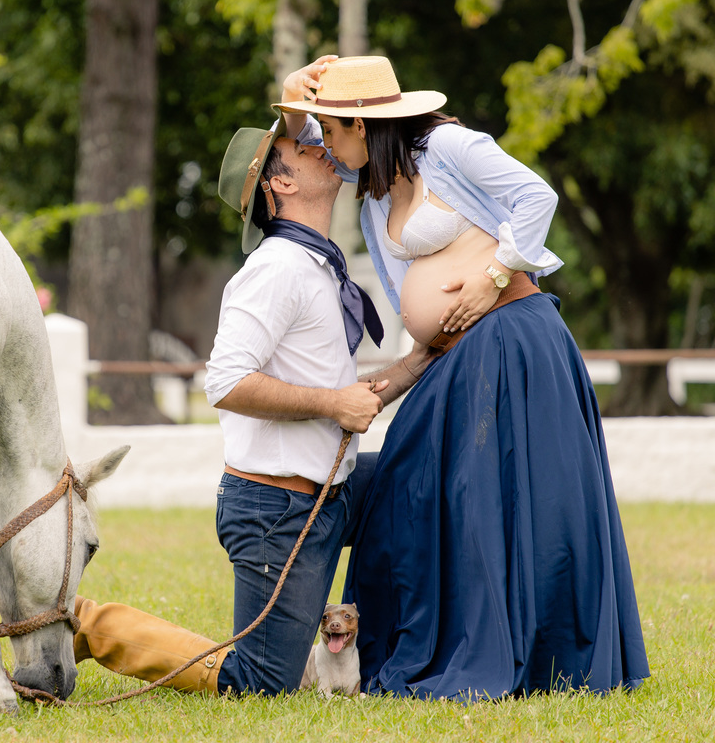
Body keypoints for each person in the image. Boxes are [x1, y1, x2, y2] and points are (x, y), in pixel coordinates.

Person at [273, 54, 650, 700]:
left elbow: (537, 196)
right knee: (406, 484)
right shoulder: (374, 181)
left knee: (508, 495)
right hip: (454, 358)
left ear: (363, 126)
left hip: (512, 337)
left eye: (332, 129)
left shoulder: (447, 147)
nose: (324, 144)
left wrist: (494, 275)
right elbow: (298, 153)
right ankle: (436, 638)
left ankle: (533, 648)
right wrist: (290, 96)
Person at [71, 115, 434, 696]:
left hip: (336, 491)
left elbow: (346, 399)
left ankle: (400, 653)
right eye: (303, 147)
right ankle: (92, 626)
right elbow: (225, 380)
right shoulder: (274, 269)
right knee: (261, 683)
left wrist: (422, 358)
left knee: (424, 484)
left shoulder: (314, 264)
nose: (320, 146)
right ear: (279, 183)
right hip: (277, 512)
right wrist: (332, 404)